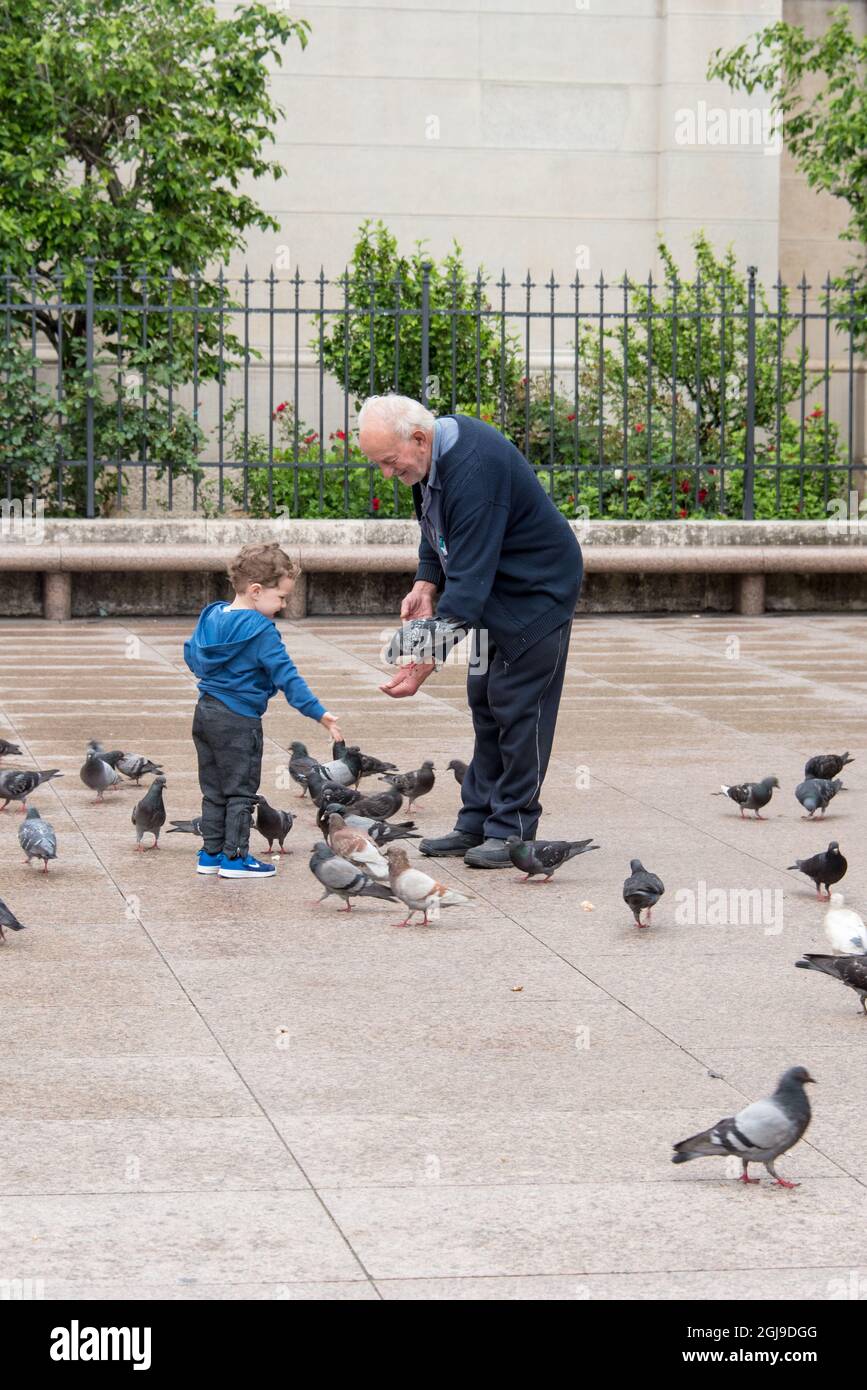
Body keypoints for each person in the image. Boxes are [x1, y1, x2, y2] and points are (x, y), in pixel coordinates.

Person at [358, 394, 582, 869]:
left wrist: (422, 660)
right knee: (485, 702)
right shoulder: (428, 458)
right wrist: (425, 579)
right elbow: (435, 528)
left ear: (419, 439)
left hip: (533, 596)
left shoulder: (472, 469)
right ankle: (476, 822)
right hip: (488, 597)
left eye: (390, 464)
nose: (387, 474)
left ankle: (512, 830)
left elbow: (470, 578)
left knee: (518, 709)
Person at [184, 542, 342, 878]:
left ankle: (210, 853)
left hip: (205, 712)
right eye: (281, 597)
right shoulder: (261, 630)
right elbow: (287, 676)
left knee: (213, 788)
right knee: (241, 789)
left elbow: (191, 654)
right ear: (256, 591)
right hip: (239, 719)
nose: (283, 605)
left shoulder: (211, 615)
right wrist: (318, 712)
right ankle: (236, 858)